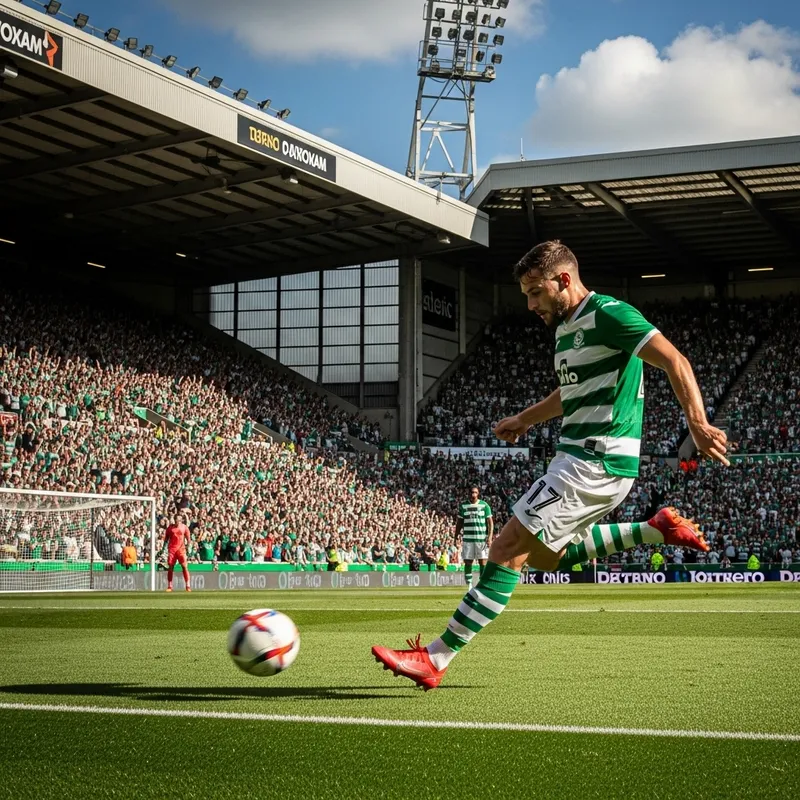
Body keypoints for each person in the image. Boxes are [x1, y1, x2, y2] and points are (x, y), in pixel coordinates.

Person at [372, 240, 729, 690]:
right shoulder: (565, 330)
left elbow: (674, 360)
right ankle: (654, 528)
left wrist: (697, 423)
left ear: (563, 280)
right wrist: (524, 419)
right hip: (577, 458)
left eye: (535, 292)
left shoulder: (610, 315)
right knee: (545, 559)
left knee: (506, 548)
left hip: (594, 460)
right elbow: (569, 393)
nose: (529, 304)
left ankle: (436, 657)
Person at [457, 486, 493, 588]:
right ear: (469, 493)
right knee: (468, 562)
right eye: (472, 492)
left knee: (483, 562)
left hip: (481, 539)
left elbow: (490, 523)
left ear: (478, 494)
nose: (473, 495)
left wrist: (489, 537)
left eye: (475, 492)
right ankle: (469, 586)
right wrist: (456, 536)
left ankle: (482, 585)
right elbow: (459, 523)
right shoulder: (463, 506)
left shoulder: (484, 506)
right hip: (468, 539)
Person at [163, 513, 191, 592]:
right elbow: (166, 539)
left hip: (181, 549)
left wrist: (189, 547)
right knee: (171, 567)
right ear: (174, 520)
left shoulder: (184, 527)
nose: (178, 521)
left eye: (180, 519)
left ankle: (188, 586)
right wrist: (163, 549)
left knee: (184, 566)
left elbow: (188, 539)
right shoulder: (170, 528)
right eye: (177, 519)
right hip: (172, 550)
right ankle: (169, 586)